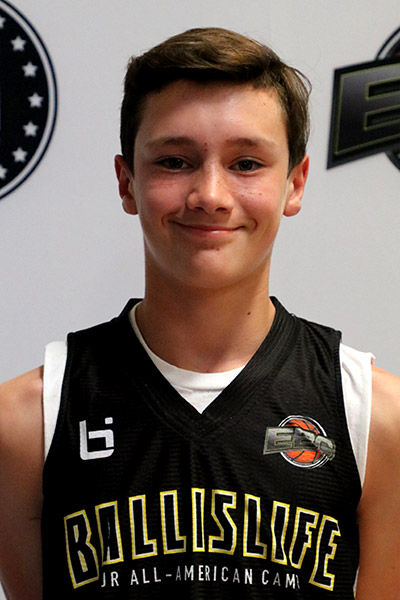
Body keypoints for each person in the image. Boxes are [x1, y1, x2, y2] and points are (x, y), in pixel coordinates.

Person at [0, 27, 399, 600]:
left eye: (246, 163)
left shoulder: (377, 419)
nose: (210, 194)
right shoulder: (25, 422)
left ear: (295, 183)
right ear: (127, 182)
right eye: (175, 161)